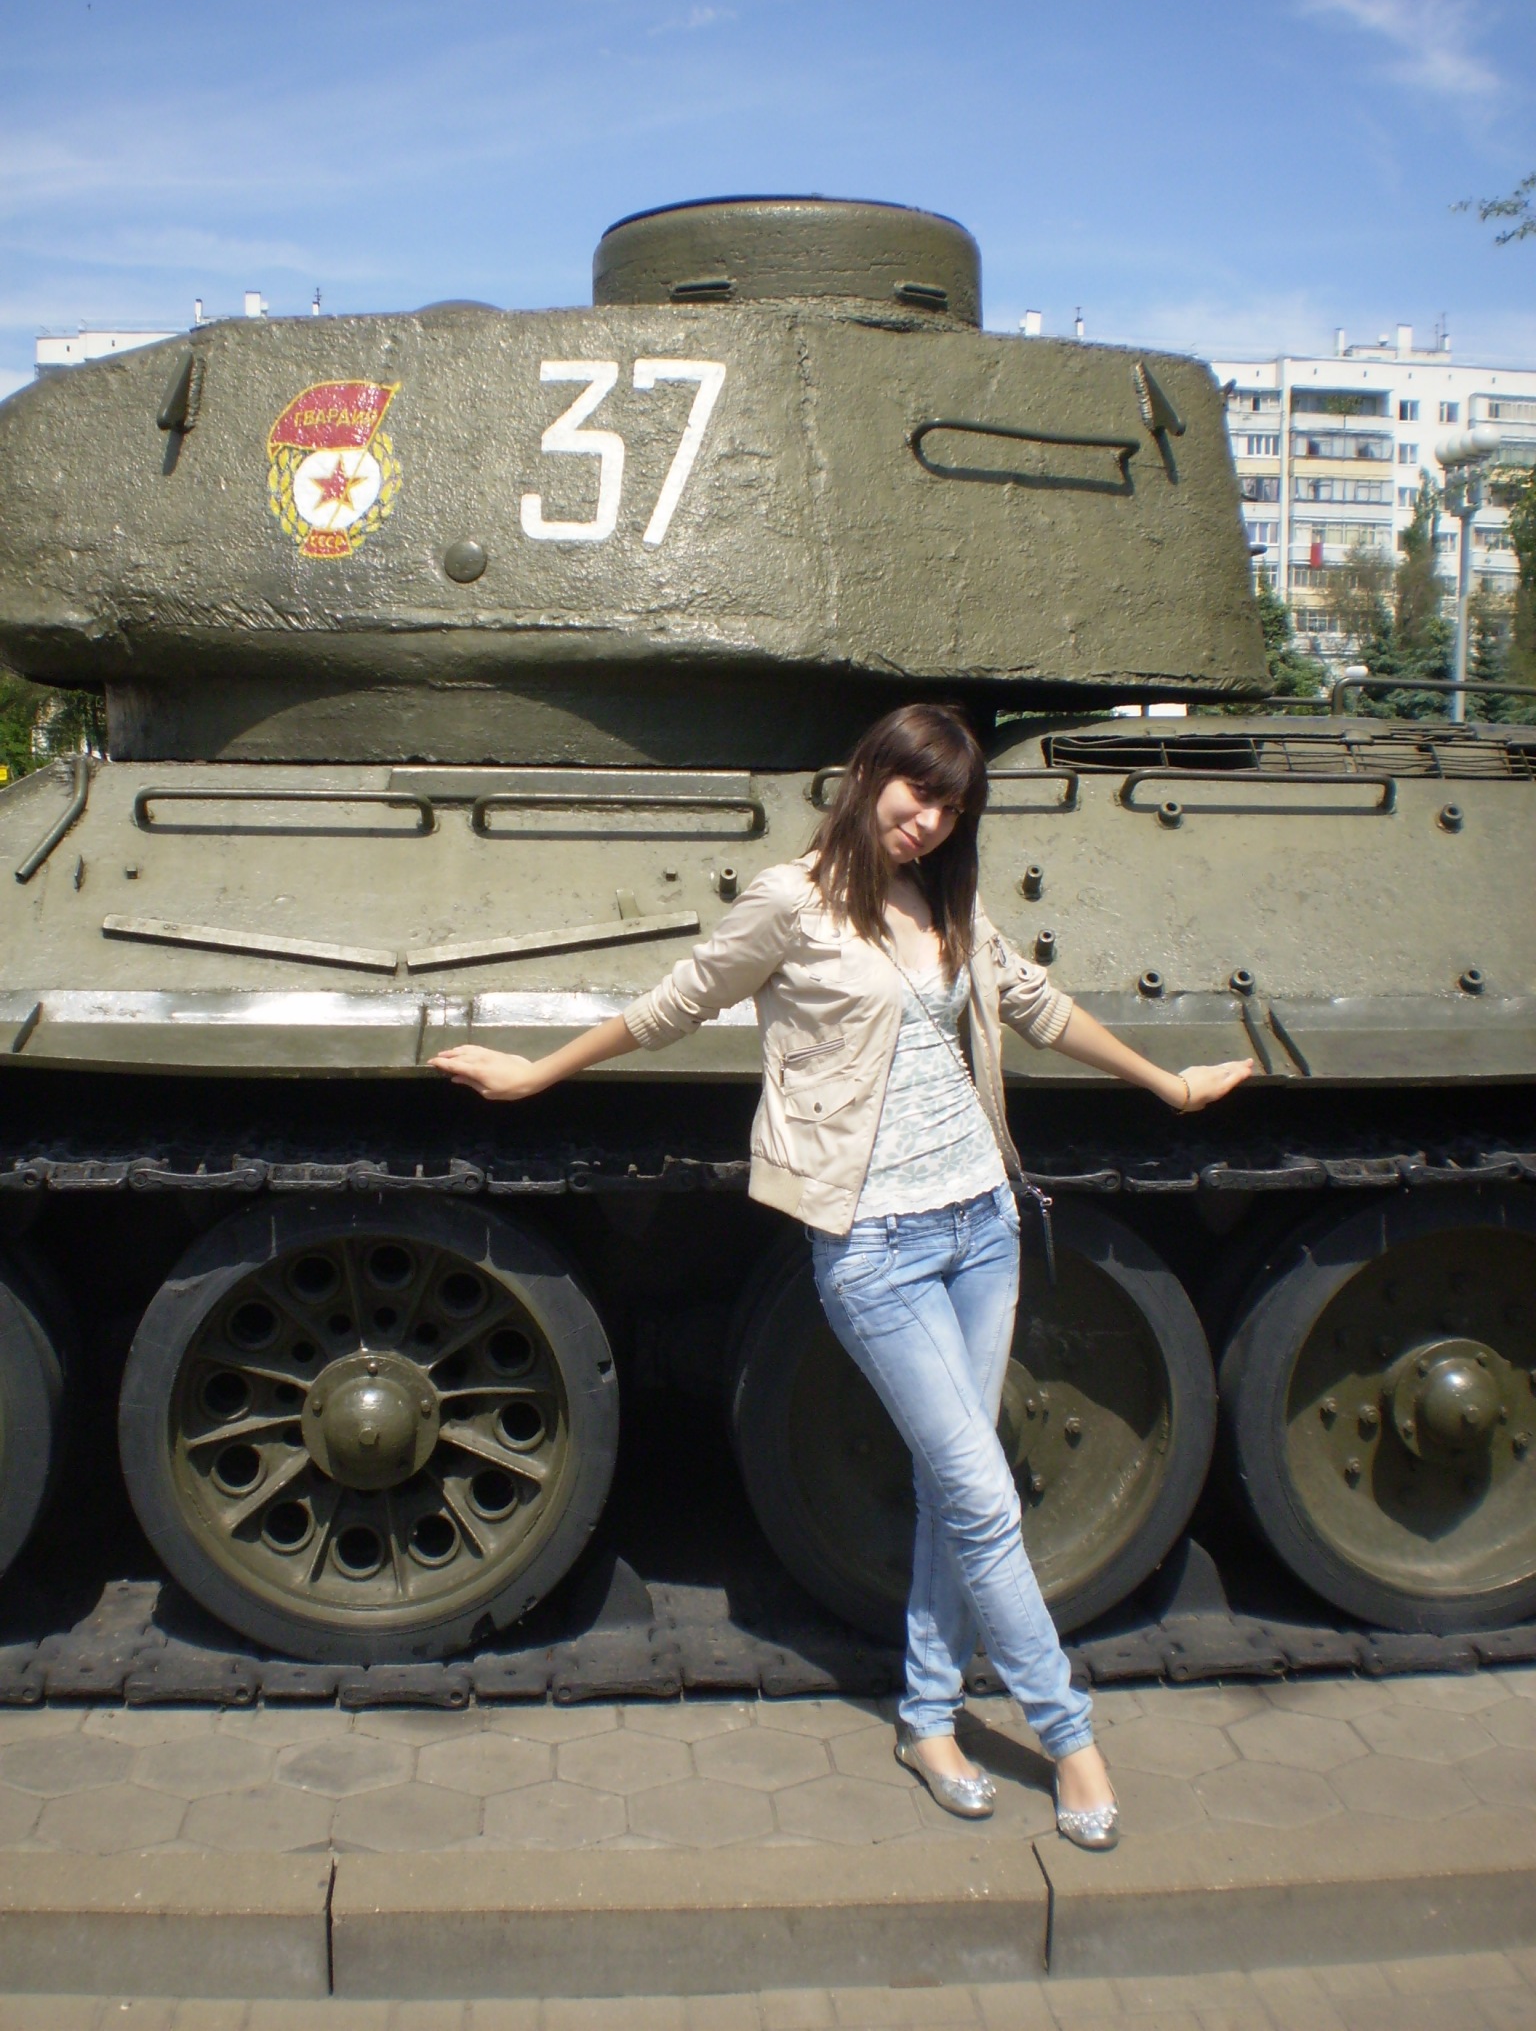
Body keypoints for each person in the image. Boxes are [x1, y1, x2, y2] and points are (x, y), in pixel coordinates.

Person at [434, 703, 1250, 1848]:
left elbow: (1032, 1003)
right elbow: (679, 1001)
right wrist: (538, 1074)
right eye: (918, 790)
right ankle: (1071, 1735)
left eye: (953, 804)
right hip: (875, 1243)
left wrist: (1168, 1084)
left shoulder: (946, 897)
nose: (930, 819)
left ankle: (928, 1717)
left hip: (982, 1221)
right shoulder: (792, 900)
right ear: (870, 774)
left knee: (954, 1483)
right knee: (983, 1494)